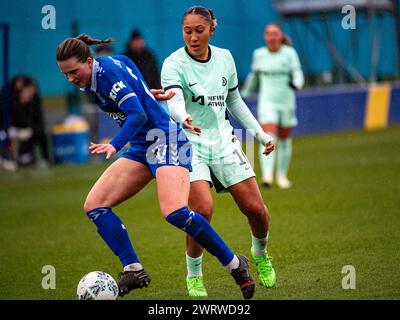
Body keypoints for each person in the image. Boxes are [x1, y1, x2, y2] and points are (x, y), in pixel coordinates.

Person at [56, 34, 256, 299]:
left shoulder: (105, 77)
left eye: (73, 71)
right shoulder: (103, 67)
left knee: (175, 212)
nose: (71, 78)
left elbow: (137, 114)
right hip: (143, 145)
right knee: (94, 205)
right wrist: (147, 93)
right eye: (65, 74)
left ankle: (234, 264)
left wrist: (115, 144)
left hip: (166, 139)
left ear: (90, 61)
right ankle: (133, 269)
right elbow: (128, 64)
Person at [161, 6, 276, 297]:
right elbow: (173, 98)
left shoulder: (224, 58)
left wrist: (260, 134)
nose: (193, 37)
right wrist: (181, 116)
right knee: (202, 210)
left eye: (199, 30)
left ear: (213, 28)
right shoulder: (174, 63)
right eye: (187, 31)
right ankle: (194, 275)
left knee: (256, 210)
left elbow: (234, 102)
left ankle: (260, 254)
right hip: (189, 144)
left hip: (224, 141)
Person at [241, 22, 304, 189]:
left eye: (275, 33)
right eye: (269, 33)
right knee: (269, 135)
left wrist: (297, 83)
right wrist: (244, 94)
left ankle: (282, 176)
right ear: (265, 37)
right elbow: (254, 77)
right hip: (267, 102)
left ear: (281, 36)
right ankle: (267, 176)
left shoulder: (289, 53)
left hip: (286, 102)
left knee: (284, 139)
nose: (272, 37)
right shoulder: (259, 54)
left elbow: (297, 72)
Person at [8, 76, 50, 167]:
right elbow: (17, 119)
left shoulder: (33, 102)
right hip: (15, 129)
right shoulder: (13, 102)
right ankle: (20, 158)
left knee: (39, 133)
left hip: (29, 130)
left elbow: (36, 119)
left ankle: (44, 159)